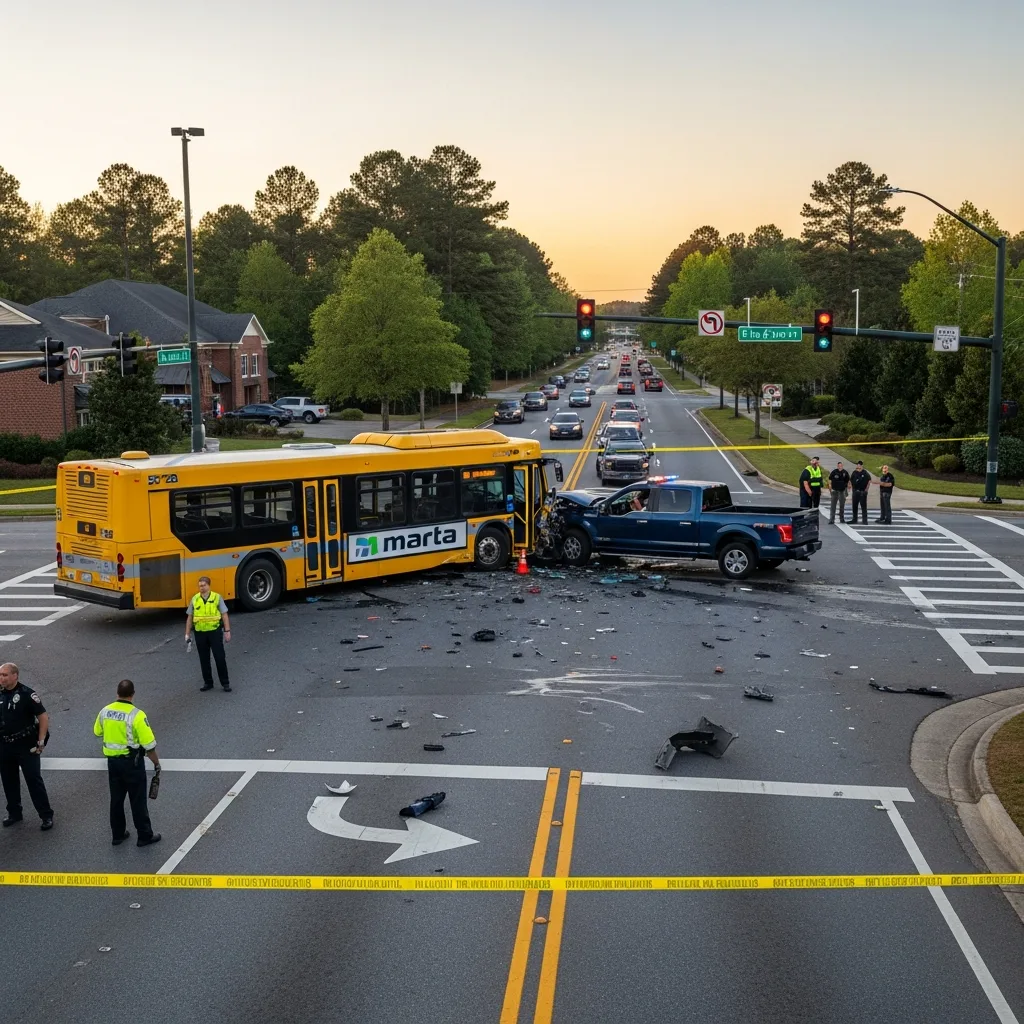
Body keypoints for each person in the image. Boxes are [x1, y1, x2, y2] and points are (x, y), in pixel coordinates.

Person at [94, 679, 161, 847]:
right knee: (137, 801)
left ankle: (117, 834)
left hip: (113, 764)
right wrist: (156, 764)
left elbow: (97, 731)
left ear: (117, 693)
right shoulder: (137, 715)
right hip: (132, 764)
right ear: (133, 694)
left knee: (116, 800)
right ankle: (144, 835)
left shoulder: (105, 711)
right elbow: (149, 746)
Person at [0, 663, 53, 830]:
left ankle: (46, 815)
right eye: (0, 675)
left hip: (25, 745)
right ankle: (15, 813)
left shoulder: (27, 694)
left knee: (33, 780)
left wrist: (41, 740)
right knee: (9, 781)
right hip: (5, 744)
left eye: (5, 675)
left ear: (15, 676)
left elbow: (43, 716)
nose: (1, 678)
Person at [185, 576, 232, 692]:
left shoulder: (217, 597)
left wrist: (227, 631)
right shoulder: (195, 599)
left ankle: (225, 683)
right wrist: (187, 634)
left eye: (203, 585)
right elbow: (190, 617)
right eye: (200, 585)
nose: (201, 588)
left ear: (209, 585)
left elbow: (224, 615)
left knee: (219, 657)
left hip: (214, 632)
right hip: (200, 633)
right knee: (204, 659)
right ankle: (208, 682)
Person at [827, 461, 851, 525]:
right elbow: (830, 480)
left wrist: (848, 487)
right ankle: (831, 519)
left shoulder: (845, 472)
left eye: (841, 465)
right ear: (837, 466)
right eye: (839, 465)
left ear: (842, 466)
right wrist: (830, 487)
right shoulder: (834, 472)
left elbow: (848, 480)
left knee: (842, 505)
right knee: (833, 506)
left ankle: (842, 519)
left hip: (842, 491)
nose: (840, 466)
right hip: (835, 490)